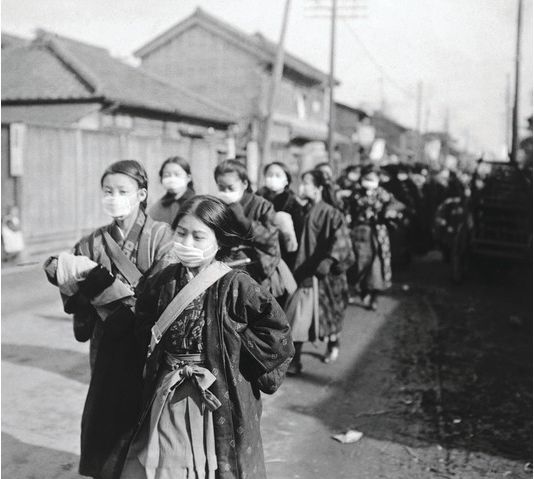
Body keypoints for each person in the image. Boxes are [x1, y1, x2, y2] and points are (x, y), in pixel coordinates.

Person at [120, 195, 294, 479]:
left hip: (221, 392)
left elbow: (276, 332)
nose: (187, 243)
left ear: (220, 241)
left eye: (198, 236)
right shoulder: (162, 281)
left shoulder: (238, 285)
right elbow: (142, 325)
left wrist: (237, 357)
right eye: (181, 233)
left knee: (218, 466)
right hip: (170, 389)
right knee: (168, 464)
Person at [43, 160, 174, 479]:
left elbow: (166, 289)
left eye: (122, 191)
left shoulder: (161, 235)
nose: (113, 197)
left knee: (148, 410)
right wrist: (67, 275)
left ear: (141, 194)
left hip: (147, 338)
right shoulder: (90, 242)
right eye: (107, 191)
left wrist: (108, 290)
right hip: (106, 340)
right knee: (107, 409)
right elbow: (74, 296)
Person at [286, 170, 354, 375]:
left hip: (324, 275)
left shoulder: (331, 213)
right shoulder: (298, 208)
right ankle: (295, 360)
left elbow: (342, 241)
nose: (302, 187)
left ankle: (333, 344)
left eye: (306, 183)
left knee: (329, 316)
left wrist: (329, 260)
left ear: (319, 188)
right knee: (297, 318)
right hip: (301, 270)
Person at [213, 159, 281, 288]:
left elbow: (271, 240)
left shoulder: (262, 205)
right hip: (224, 269)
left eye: (231, 187)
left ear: (244, 184)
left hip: (256, 271)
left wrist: (243, 220)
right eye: (221, 188)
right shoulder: (217, 205)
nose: (226, 192)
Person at [348, 165, 400, 310]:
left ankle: (374, 296)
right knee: (358, 262)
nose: (368, 181)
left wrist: (389, 212)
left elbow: (397, 205)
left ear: (378, 179)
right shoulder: (356, 194)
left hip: (377, 232)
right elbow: (349, 211)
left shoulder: (383, 194)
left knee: (376, 263)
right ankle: (362, 290)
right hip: (358, 232)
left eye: (372, 179)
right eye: (366, 178)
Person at [257, 161, 304, 269]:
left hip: (283, 257)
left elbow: (298, 236)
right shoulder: (258, 199)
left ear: (286, 180)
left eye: (278, 175)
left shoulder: (293, 203)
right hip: (258, 255)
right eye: (270, 175)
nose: (273, 178)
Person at [148, 156, 195, 228]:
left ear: (188, 178)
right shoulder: (157, 208)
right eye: (167, 175)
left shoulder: (196, 204)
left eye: (177, 174)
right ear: (161, 179)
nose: (172, 179)